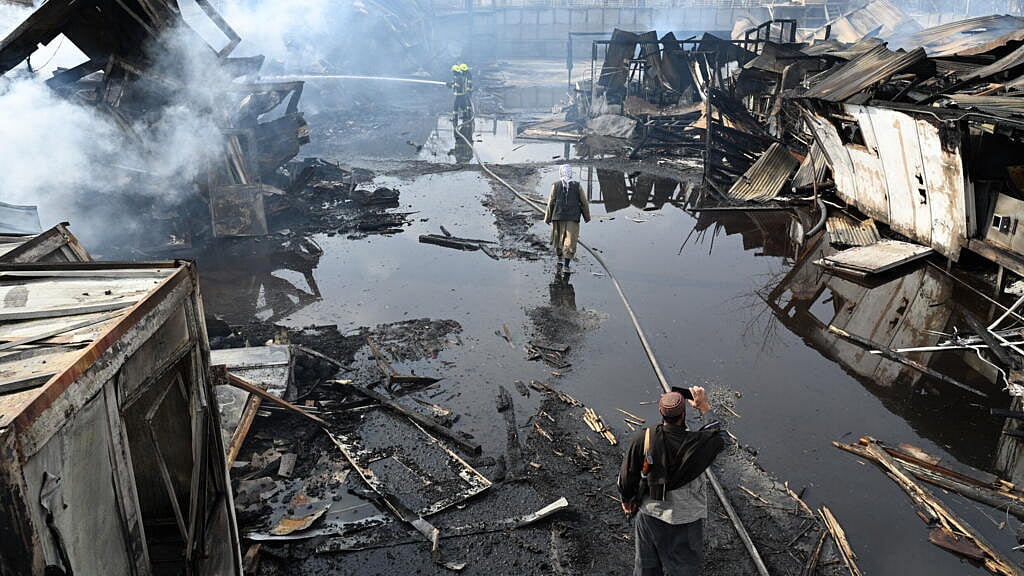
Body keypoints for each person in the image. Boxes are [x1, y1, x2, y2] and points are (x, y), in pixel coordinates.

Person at [618, 387, 727, 576]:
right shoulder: (699, 443)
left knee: (646, 567)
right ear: (683, 414)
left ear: (660, 412)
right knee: (685, 568)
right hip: (686, 518)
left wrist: (627, 500)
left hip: (650, 514)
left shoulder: (643, 438)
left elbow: (626, 478)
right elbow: (719, 435)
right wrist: (704, 407)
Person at [544, 165, 590, 272]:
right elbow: (584, 203)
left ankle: (561, 260)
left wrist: (548, 218)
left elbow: (550, 203)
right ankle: (566, 265)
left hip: (559, 216)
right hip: (572, 218)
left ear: (561, 173)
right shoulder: (577, 186)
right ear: (570, 173)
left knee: (559, 238)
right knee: (570, 241)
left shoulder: (556, 185)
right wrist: (586, 217)